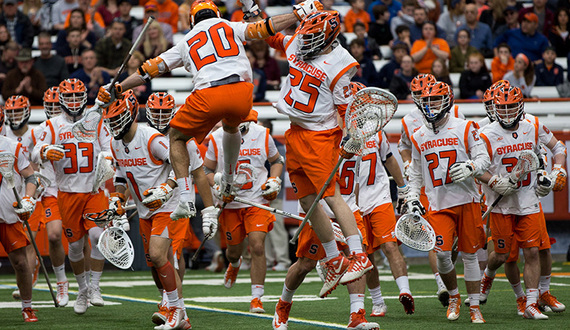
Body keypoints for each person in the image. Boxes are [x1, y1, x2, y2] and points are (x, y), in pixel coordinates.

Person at [97, 0, 325, 275]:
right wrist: (297, 14)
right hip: (242, 91)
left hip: (209, 92)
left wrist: (119, 86)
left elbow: (149, 70)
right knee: (230, 128)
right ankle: (227, 180)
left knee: (177, 138)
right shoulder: (229, 26)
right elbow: (264, 28)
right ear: (216, 14)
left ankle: (184, 197)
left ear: (192, 21)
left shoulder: (187, 39)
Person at [104, 90, 205, 329]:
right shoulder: (115, 142)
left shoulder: (150, 137)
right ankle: (180, 315)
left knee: (162, 255)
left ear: (131, 116)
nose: (115, 125)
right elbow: (121, 175)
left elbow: (180, 162)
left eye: (119, 119)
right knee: (155, 263)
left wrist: (167, 187)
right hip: (145, 209)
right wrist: (118, 196)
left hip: (168, 206)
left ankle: (174, 310)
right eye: (112, 120)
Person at [477, 84, 566, 319]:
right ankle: (488, 275)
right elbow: (477, 169)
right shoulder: (486, 133)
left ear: (521, 106)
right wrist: (495, 180)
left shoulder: (533, 125)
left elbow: (557, 147)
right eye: (502, 108)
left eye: (511, 107)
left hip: (528, 200)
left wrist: (557, 171)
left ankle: (531, 303)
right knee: (502, 256)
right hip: (501, 204)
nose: (506, 113)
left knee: (534, 251)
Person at [406, 81, 489, 323]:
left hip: (467, 199)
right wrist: (412, 197)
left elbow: (483, 158)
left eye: (435, 100)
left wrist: (471, 167)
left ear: (448, 100)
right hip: (438, 202)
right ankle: (453, 296)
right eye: (427, 101)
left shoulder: (465, 127)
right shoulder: (418, 135)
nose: (431, 105)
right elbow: (416, 174)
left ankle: (474, 306)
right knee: (442, 254)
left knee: (470, 255)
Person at [32, 78, 111, 315]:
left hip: (94, 190)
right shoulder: (52, 125)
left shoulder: (95, 120)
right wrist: (45, 150)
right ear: (62, 100)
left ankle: (95, 286)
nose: (75, 102)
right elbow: (35, 150)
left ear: (85, 97)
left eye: (78, 96)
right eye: (70, 97)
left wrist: (107, 160)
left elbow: (109, 147)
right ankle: (83, 289)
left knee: (98, 236)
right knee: (75, 247)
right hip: (67, 193)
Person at [204, 117, 284, 314]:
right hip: (230, 203)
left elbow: (277, 161)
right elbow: (207, 169)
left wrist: (273, 180)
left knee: (257, 245)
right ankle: (234, 263)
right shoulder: (216, 137)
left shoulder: (262, 134)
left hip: (256, 200)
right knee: (233, 251)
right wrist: (217, 185)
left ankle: (256, 298)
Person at [357, 114, 415, 316]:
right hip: (352, 204)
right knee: (366, 254)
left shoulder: (376, 133)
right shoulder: (334, 136)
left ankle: (405, 291)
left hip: (378, 196)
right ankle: (378, 302)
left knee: (389, 245)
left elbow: (389, 161)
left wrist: (403, 188)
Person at [29, 87, 70, 308]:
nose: (54, 109)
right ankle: (62, 281)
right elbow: (31, 156)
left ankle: (88, 286)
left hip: (75, 188)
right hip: (52, 189)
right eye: (51, 105)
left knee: (80, 240)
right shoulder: (40, 130)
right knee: (54, 235)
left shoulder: (73, 126)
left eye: (57, 104)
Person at [0, 107, 40, 323]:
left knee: (22, 263)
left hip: (7, 215)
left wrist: (28, 199)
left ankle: (27, 306)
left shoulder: (12, 147)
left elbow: (30, 177)